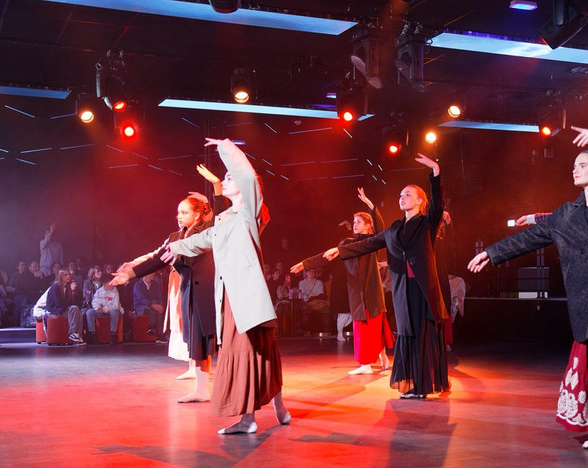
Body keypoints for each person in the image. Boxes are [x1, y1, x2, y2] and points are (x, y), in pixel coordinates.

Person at [468, 126, 588, 449]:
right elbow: (528, 238)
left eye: (583, 165)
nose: (575, 170)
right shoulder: (565, 214)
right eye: (574, 166)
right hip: (586, 301)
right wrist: (491, 253)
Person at [161, 137, 289, 435]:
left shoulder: (249, 212)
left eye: (231, 177)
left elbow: (247, 177)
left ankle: (262, 412)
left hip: (249, 297)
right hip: (231, 297)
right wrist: (176, 246)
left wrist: (227, 148)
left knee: (258, 351)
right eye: (227, 176)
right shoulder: (225, 219)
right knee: (250, 352)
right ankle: (257, 415)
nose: (228, 179)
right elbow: (203, 239)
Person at [323, 153, 449, 398]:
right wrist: (340, 251)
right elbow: (367, 244)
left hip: (423, 290)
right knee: (406, 334)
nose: (402, 197)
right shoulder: (394, 229)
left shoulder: (427, 223)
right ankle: (410, 383)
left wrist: (435, 171)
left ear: (421, 201)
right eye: (400, 194)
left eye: (408, 194)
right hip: (402, 290)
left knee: (422, 335)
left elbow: (438, 202)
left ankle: (421, 386)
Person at [113, 169, 228, 403]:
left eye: (184, 212)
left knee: (206, 337)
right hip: (188, 290)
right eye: (178, 212)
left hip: (206, 290)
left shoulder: (208, 230)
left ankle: (211, 387)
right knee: (194, 338)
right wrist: (130, 274)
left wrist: (216, 185)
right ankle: (201, 388)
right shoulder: (175, 237)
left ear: (198, 214)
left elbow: (221, 214)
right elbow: (157, 259)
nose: (179, 216)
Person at [292, 188, 393, 374]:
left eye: (359, 222)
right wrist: (305, 264)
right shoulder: (347, 243)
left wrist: (370, 205)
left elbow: (381, 228)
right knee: (361, 327)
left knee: (375, 325)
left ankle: (380, 357)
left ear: (368, 226)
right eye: (354, 222)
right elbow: (326, 256)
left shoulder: (373, 241)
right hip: (356, 292)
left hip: (371, 290)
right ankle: (366, 363)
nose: (355, 225)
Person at [45, 269, 85, 345]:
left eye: (69, 274)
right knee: (74, 308)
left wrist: (73, 292)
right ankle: (72, 333)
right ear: (60, 276)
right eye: (65, 275)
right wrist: (70, 305)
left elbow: (74, 302)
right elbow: (59, 303)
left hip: (65, 309)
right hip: (55, 310)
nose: (68, 276)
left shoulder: (68, 287)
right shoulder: (55, 287)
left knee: (78, 312)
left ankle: (78, 336)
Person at [86, 275, 123, 341]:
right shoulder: (99, 291)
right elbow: (94, 302)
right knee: (89, 312)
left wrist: (104, 309)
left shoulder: (115, 291)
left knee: (114, 311)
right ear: (104, 284)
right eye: (110, 283)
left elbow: (115, 306)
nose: (112, 285)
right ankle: (92, 334)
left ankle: (113, 333)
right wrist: (97, 308)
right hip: (101, 312)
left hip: (111, 311)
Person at [132, 273, 165, 340]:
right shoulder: (138, 285)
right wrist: (152, 305)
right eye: (151, 273)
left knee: (157, 307)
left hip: (153, 306)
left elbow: (160, 297)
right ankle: (159, 333)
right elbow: (141, 299)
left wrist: (161, 306)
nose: (154, 274)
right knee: (154, 306)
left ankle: (152, 328)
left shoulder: (155, 284)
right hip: (140, 307)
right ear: (146, 274)